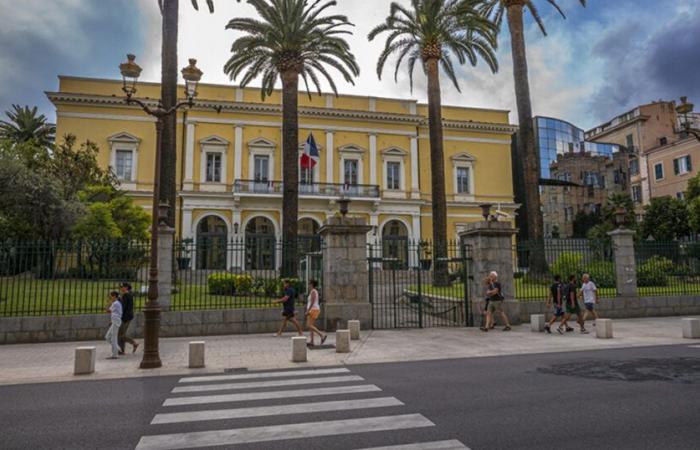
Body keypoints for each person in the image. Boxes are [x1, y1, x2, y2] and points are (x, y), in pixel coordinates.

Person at [117, 282, 138, 354]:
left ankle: (134, 343)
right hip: (128, 316)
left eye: (122, 287)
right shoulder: (129, 294)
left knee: (120, 335)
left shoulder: (126, 295)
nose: (120, 288)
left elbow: (123, 307)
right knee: (121, 334)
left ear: (126, 287)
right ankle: (121, 350)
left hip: (125, 317)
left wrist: (119, 299)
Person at [305, 280, 327, 346]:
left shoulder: (313, 291)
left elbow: (312, 302)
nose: (308, 285)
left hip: (313, 310)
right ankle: (312, 341)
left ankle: (322, 335)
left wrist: (308, 311)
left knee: (309, 325)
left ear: (312, 284)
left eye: (309, 283)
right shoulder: (313, 291)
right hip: (313, 309)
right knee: (311, 326)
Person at [105, 291, 122, 359]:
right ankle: (117, 348)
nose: (110, 297)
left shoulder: (115, 303)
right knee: (107, 337)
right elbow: (114, 313)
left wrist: (108, 302)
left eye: (111, 296)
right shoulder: (115, 303)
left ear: (114, 296)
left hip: (116, 321)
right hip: (115, 321)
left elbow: (108, 310)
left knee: (113, 338)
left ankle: (115, 354)